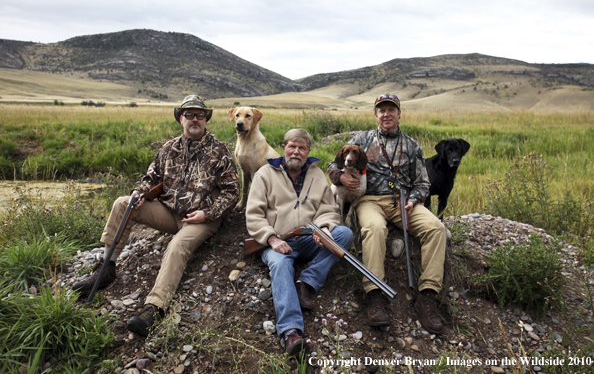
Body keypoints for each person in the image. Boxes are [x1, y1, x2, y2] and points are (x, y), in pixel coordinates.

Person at [72, 95, 239, 336]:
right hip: (170, 212)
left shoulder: (219, 150)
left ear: (205, 120)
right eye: (189, 114)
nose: (195, 119)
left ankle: (155, 307)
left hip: (202, 218)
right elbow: (150, 179)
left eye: (200, 115)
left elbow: (233, 191)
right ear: (181, 119)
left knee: (177, 246)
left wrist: (208, 213)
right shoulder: (169, 148)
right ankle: (107, 267)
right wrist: (139, 194)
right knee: (123, 203)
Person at [327, 93, 447, 334]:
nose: (386, 114)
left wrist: (413, 200)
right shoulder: (361, 139)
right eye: (381, 110)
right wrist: (341, 178)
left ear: (399, 113)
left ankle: (428, 295)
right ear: (375, 114)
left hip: (403, 202)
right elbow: (333, 166)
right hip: (369, 199)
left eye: (391, 109)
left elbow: (423, 183)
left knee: (436, 228)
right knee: (374, 228)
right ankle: (374, 294)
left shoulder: (412, 145)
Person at [246, 129, 353, 357]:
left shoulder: (317, 175)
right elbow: (254, 214)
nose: (296, 151)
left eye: (302, 147)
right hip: (278, 242)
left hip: (309, 238)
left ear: (308, 152)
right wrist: (271, 238)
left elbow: (328, 209)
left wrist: (324, 228)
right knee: (281, 264)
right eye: (292, 146)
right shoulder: (264, 174)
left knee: (344, 234)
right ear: (283, 147)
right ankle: (291, 332)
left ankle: (307, 281)